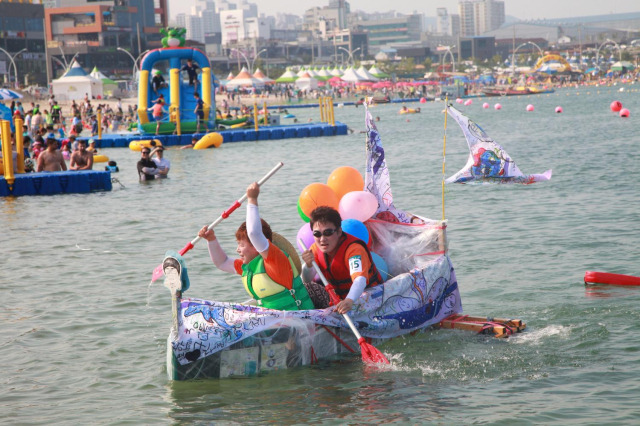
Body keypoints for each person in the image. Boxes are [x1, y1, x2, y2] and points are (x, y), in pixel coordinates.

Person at [197, 182, 314, 311]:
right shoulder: (249, 266)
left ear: (256, 245)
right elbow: (222, 262)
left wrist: (252, 199)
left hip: (299, 322)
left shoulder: (276, 261)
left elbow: (254, 233)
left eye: (241, 245)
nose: (237, 249)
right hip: (275, 322)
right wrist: (211, 239)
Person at [300, 206, 383, 313]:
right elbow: (306, 280)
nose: (322, 239)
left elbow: (360, 280)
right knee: (306, 288)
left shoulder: (354, 249)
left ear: (339, 232)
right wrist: (308, 265)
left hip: (365, 296)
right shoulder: (315, 249)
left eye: (328, 232)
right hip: (337, 299)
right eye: (317, 234)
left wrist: (349, 300)